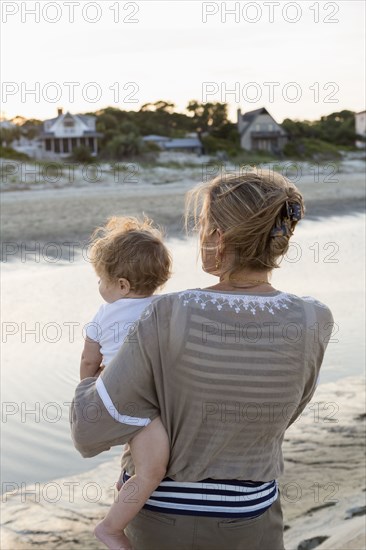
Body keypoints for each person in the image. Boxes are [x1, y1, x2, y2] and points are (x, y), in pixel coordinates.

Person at [71, 169, 334, 550]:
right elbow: (281, 415)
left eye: (203, 224)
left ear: (217, 237)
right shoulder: (314, 318)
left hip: (166, 522)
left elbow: (90, 430)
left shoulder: (168, 312)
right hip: (256, 519)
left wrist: (88, 381)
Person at [80, 216, 172, 550]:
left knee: (139, 462)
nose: (100, 289)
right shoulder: (167, 307)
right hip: (140, 402)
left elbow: (90, 361)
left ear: (121, 285)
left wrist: (89, 391)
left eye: (101, 281)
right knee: (152, 469)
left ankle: (124, 496)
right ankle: (110, 528)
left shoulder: (103, 315)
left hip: (115, 396)